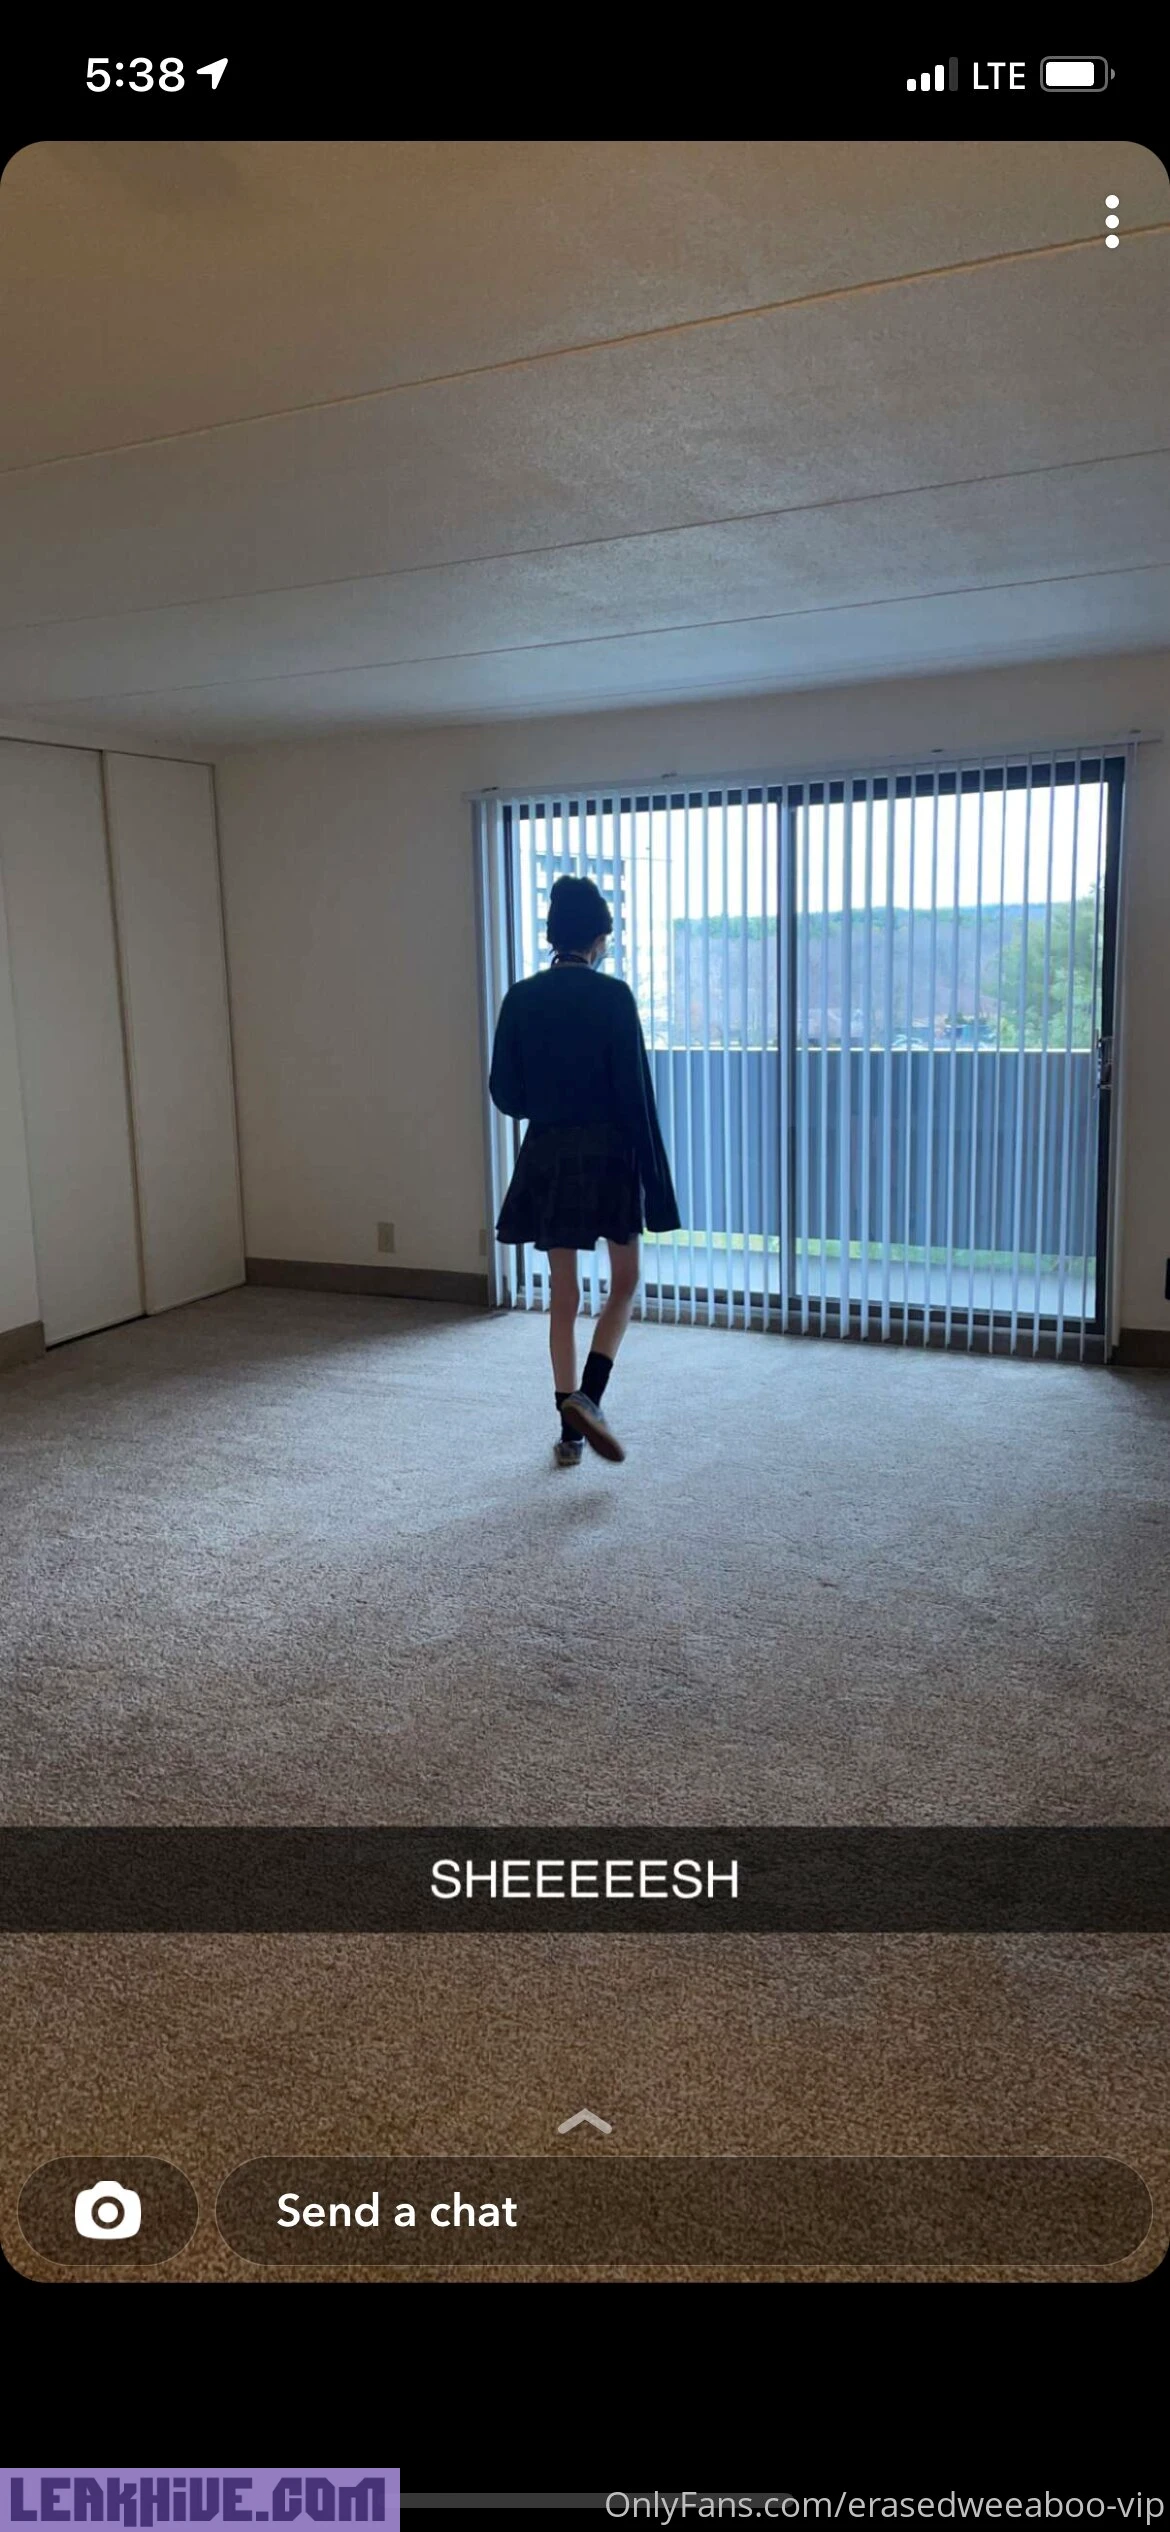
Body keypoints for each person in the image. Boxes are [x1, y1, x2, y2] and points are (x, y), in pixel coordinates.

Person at [489, 874, 681, 1466]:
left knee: (564, 1292)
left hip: (548, 1152)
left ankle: (569, 1434)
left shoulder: (520, 998)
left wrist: (548, 1107)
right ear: (598, 939)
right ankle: (589, 1399)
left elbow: (504, 1092)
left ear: (554, 936)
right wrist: (656, 1184)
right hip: (610, 1152)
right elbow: (636, 1095)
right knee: (624, 1279)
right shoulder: (614, 997)